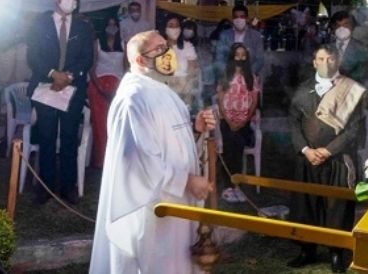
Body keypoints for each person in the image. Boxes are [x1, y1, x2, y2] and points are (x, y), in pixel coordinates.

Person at [89, 30, 217, 274]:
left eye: (166, 47)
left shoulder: (163, 90)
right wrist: (186, 181)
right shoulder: (133, 98)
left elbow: (171, 142)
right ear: (140, 60)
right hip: (153, 207)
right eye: (159, 49)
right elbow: (139, 159)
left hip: (177, 200)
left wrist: (196, 129)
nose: (167, 53)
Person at [288, 44, 365, 273]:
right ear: (314, 63)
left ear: (337, 61)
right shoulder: (303, 90)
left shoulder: (350, 90)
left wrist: (329, 150)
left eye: (330, 59)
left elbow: (353, 130)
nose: (326, 63)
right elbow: (294, 124)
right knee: (306, 205)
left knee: (337, 207)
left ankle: (336, 253)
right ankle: (307, 250)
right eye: (321, 59)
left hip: (337, 160)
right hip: (308, 159)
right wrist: (306, 150)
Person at [26, 0, 94, 205]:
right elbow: (33, 56)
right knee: (46, 137)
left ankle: (68, 186)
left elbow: (87, 58)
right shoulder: (41, 23)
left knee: (68, 137)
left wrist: (68, 77)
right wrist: (53, 73)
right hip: (46, 86)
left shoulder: (83, 27)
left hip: (72, 89)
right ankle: (45, 187)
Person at [216, 43, 260, 203]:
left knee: (238, 150)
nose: (240, 58)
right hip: (227, 121)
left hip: (244, 122)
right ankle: (228, 186)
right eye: (237, 54)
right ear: (232, 56)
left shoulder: (251, 77)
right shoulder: (226, 76)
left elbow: (254, 101)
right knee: (229, 150)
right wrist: (228, 120)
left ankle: (236, 186)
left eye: (243, 55)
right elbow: (220, 99)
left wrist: (245, 120)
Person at [87, 17, 125, 168]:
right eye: (109, 24)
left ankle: (116, 160)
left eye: (114, 24)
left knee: (117, 124)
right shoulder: (97, 43)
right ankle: (101, 160)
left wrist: (117, 88)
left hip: (118, 86)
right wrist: (100, 88)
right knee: (100, 124)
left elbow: (126, 68)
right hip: (98, 85)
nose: (112, 27)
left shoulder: (123, 44)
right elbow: (91, 68)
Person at [214, 5, 265, 79]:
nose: (239, 19)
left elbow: (260, 59)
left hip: (250, 76)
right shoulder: (224, 35)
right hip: (228, 77)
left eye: (242, 17)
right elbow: (219, 57)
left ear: (247, 19)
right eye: (236, 17)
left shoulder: (256, 36)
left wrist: (247, 73)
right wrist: (228, 73)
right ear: (232, 19)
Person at [161, 15, 199, 108]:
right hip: (164, 90)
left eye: (177, 25)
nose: (174, 29)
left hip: (184, 89)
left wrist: (183, 88)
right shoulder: (159, 47)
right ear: (164, 29)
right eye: (171, 25)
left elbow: (192, 70)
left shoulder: (187, 46)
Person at [330, 11, 368, 85]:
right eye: (338, 25)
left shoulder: (362, 48)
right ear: (333, 28)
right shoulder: (326, 47)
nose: (341, 28)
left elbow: (363, 74)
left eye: (346, 24)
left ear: (353, 27)